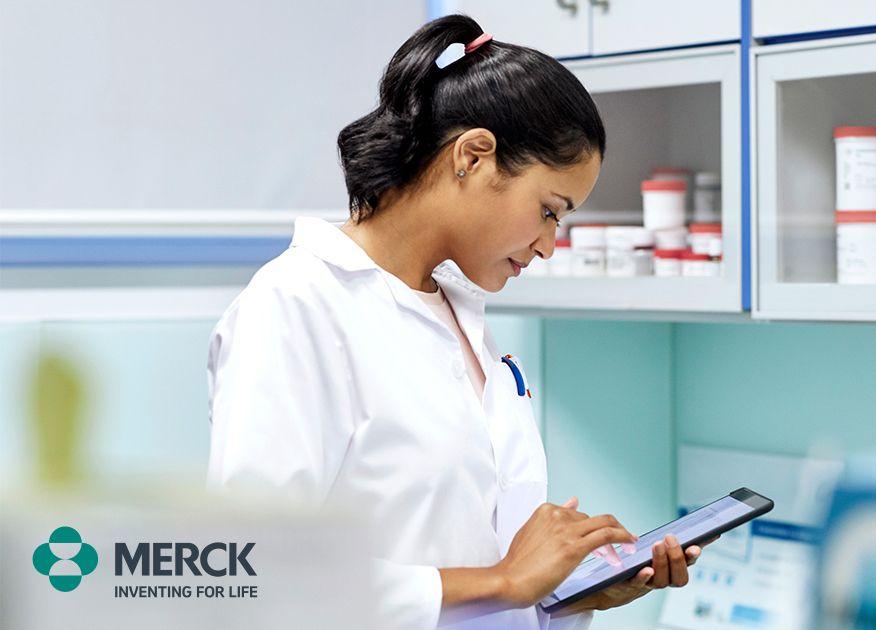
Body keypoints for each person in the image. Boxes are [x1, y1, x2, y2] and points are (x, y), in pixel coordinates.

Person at [207, 14, 714, 629]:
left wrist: (559, 596)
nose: (550, 244)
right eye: (550, 211)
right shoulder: (296, 307)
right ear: (473, 156)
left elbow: (470, 561)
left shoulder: (455, 308)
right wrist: (504, 581)